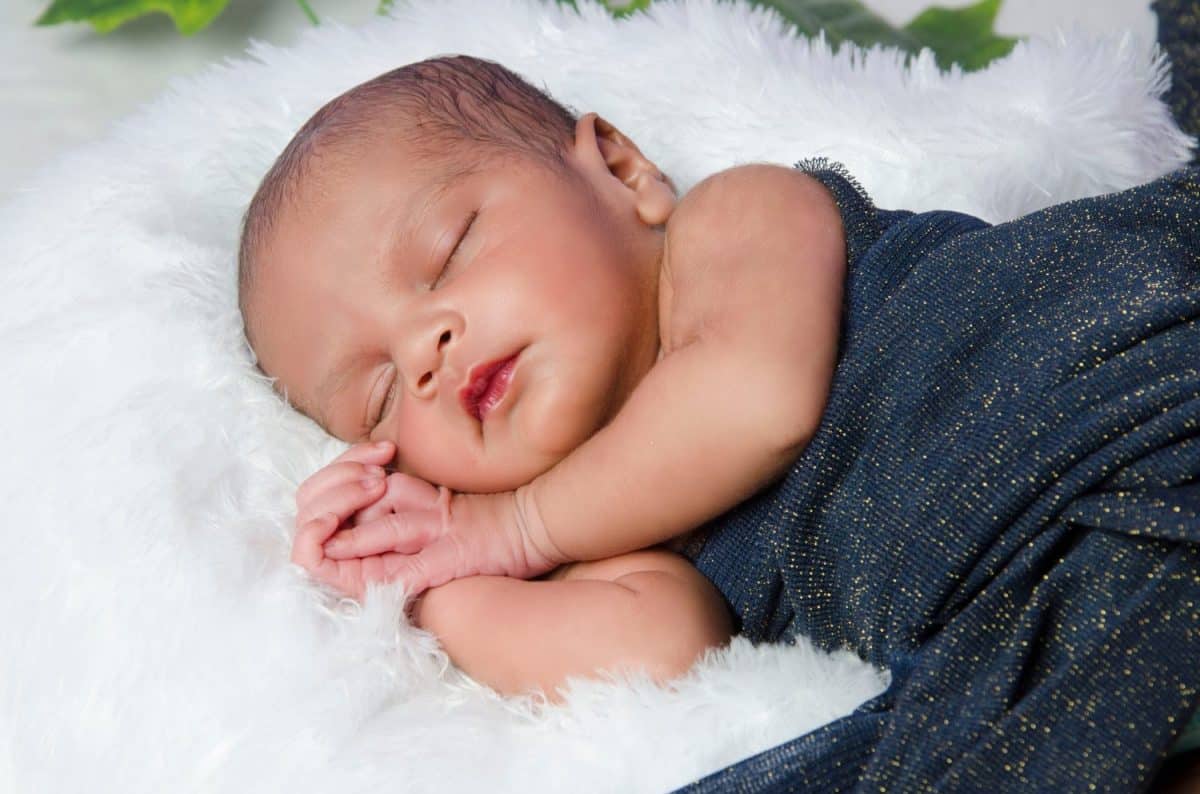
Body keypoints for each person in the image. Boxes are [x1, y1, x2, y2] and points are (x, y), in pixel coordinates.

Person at [240, 54, 1200, 789]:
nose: (424, 351)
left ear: (621, 172)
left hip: (1119, 376)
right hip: (1050, 591)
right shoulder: (606, 545)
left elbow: (755, 403)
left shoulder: (732, 223)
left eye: (448, 254)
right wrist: (432, 584)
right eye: (378, 396)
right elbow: (662, 654)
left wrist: (508, 527)